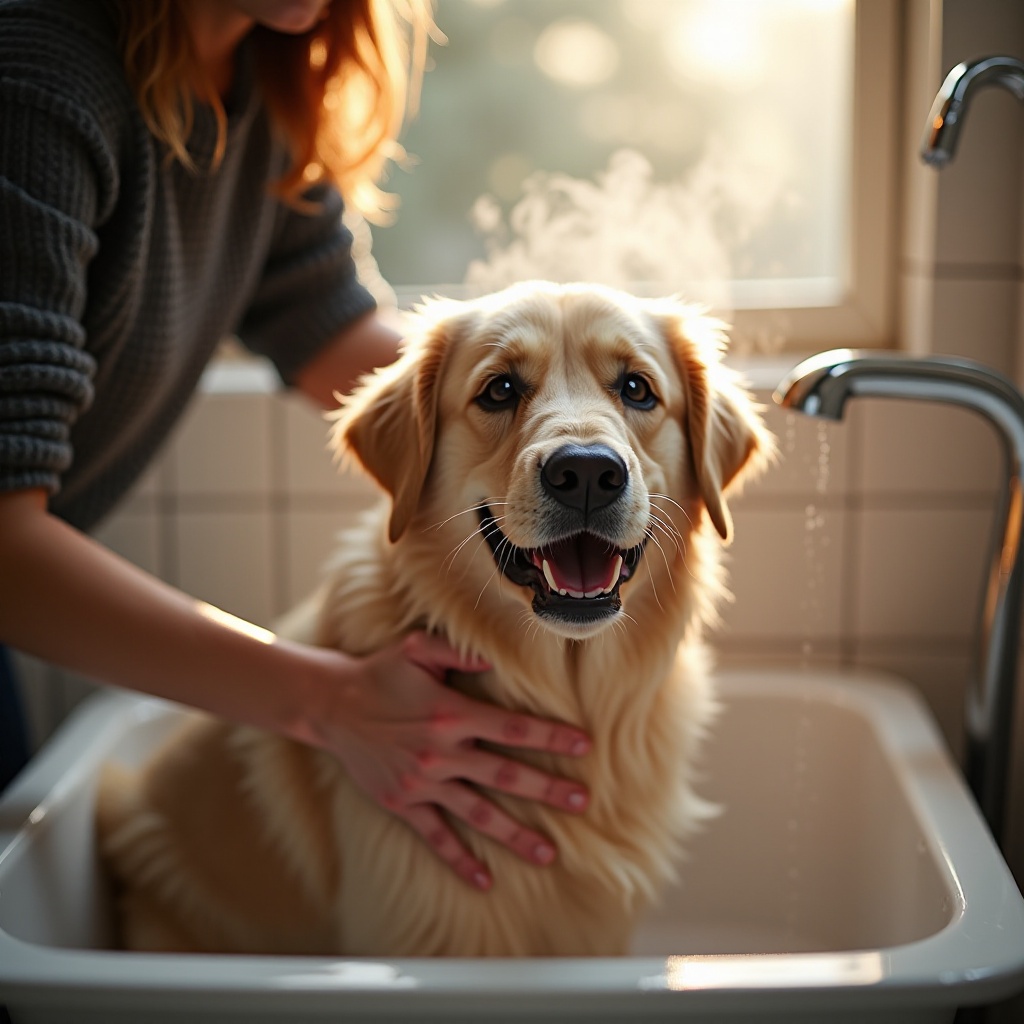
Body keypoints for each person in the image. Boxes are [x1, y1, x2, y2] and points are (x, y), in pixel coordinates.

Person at [0, 0, 591, 891]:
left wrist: (595, 419)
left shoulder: (259, 80)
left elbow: (332, 332)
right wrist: (333, 702)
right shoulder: (38, 77)